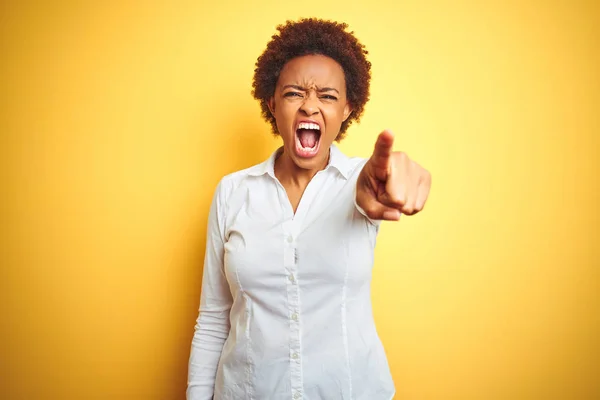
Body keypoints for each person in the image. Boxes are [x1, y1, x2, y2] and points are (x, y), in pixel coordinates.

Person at [186, 18, 431, 400]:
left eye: (328, 96)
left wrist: (396, 179)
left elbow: (380, 186)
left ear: (348, 108)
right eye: (294, 93)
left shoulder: (362, 181)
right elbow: (214, 318)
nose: (310, 107)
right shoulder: (233, 192)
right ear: (272, 103)